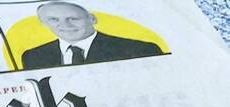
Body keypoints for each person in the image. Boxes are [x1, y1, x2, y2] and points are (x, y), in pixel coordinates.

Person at [21, 2, 164, 69]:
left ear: (92, 19)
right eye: (53, 19)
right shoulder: (32, 56)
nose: (65, 25)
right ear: (42, 22)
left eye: (73, 18)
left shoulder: (140, 50)